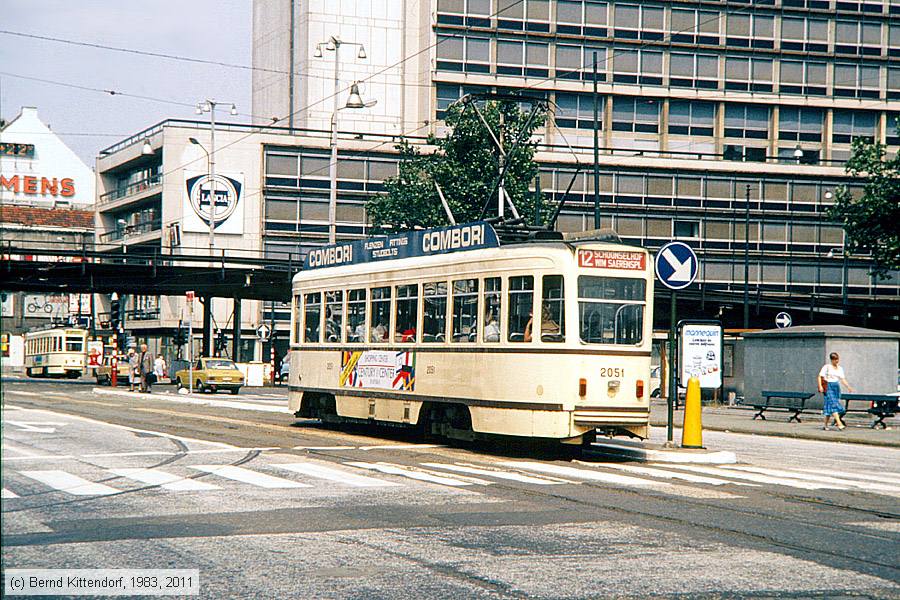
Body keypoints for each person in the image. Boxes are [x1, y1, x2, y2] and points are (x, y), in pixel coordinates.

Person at [818, 351, 854, 431]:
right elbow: (820, 376)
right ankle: (839, 423)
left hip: (836, 387)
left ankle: (825, 425)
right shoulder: (827, 367)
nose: (836, 361)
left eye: (837, 359)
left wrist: (848, 386)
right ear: (831, 360)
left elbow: (842, 379)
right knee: (833, 404)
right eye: (834, 359)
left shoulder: (840, 368)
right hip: (828, 386)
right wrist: (820, 386)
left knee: (829, 406)